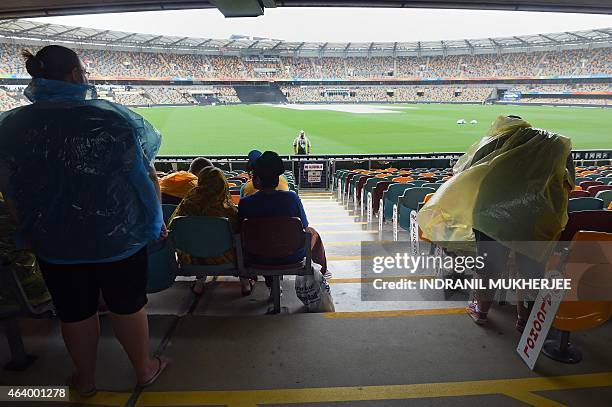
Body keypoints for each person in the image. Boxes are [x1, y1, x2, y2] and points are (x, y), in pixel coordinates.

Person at [0, 45, 167, 395]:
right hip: (119, 241)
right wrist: (154, 223)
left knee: (74, 313)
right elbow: (144, 178)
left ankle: (86, 380)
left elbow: (10, 190)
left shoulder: (12, 126)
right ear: (76, 75)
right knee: (128, 306)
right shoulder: (112, 118)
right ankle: (144, 369)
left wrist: (28, 231)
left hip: (56, 243)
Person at [238, 151, 329, 295]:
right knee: (313, 233)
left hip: (256, 256)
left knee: (264, 241)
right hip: (291, 255)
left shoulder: (245, 203)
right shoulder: (292, 199)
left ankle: (270, 283)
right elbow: (304, 227)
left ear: (258, 179)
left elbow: (240, 231)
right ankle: (322, 275)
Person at [168, 166, 254, 296]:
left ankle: (199, 283)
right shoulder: (227, 210)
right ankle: (245, 283)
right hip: (225, 259)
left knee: (199, 241)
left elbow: (171, 227)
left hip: (193, 259)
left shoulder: (187, 204)